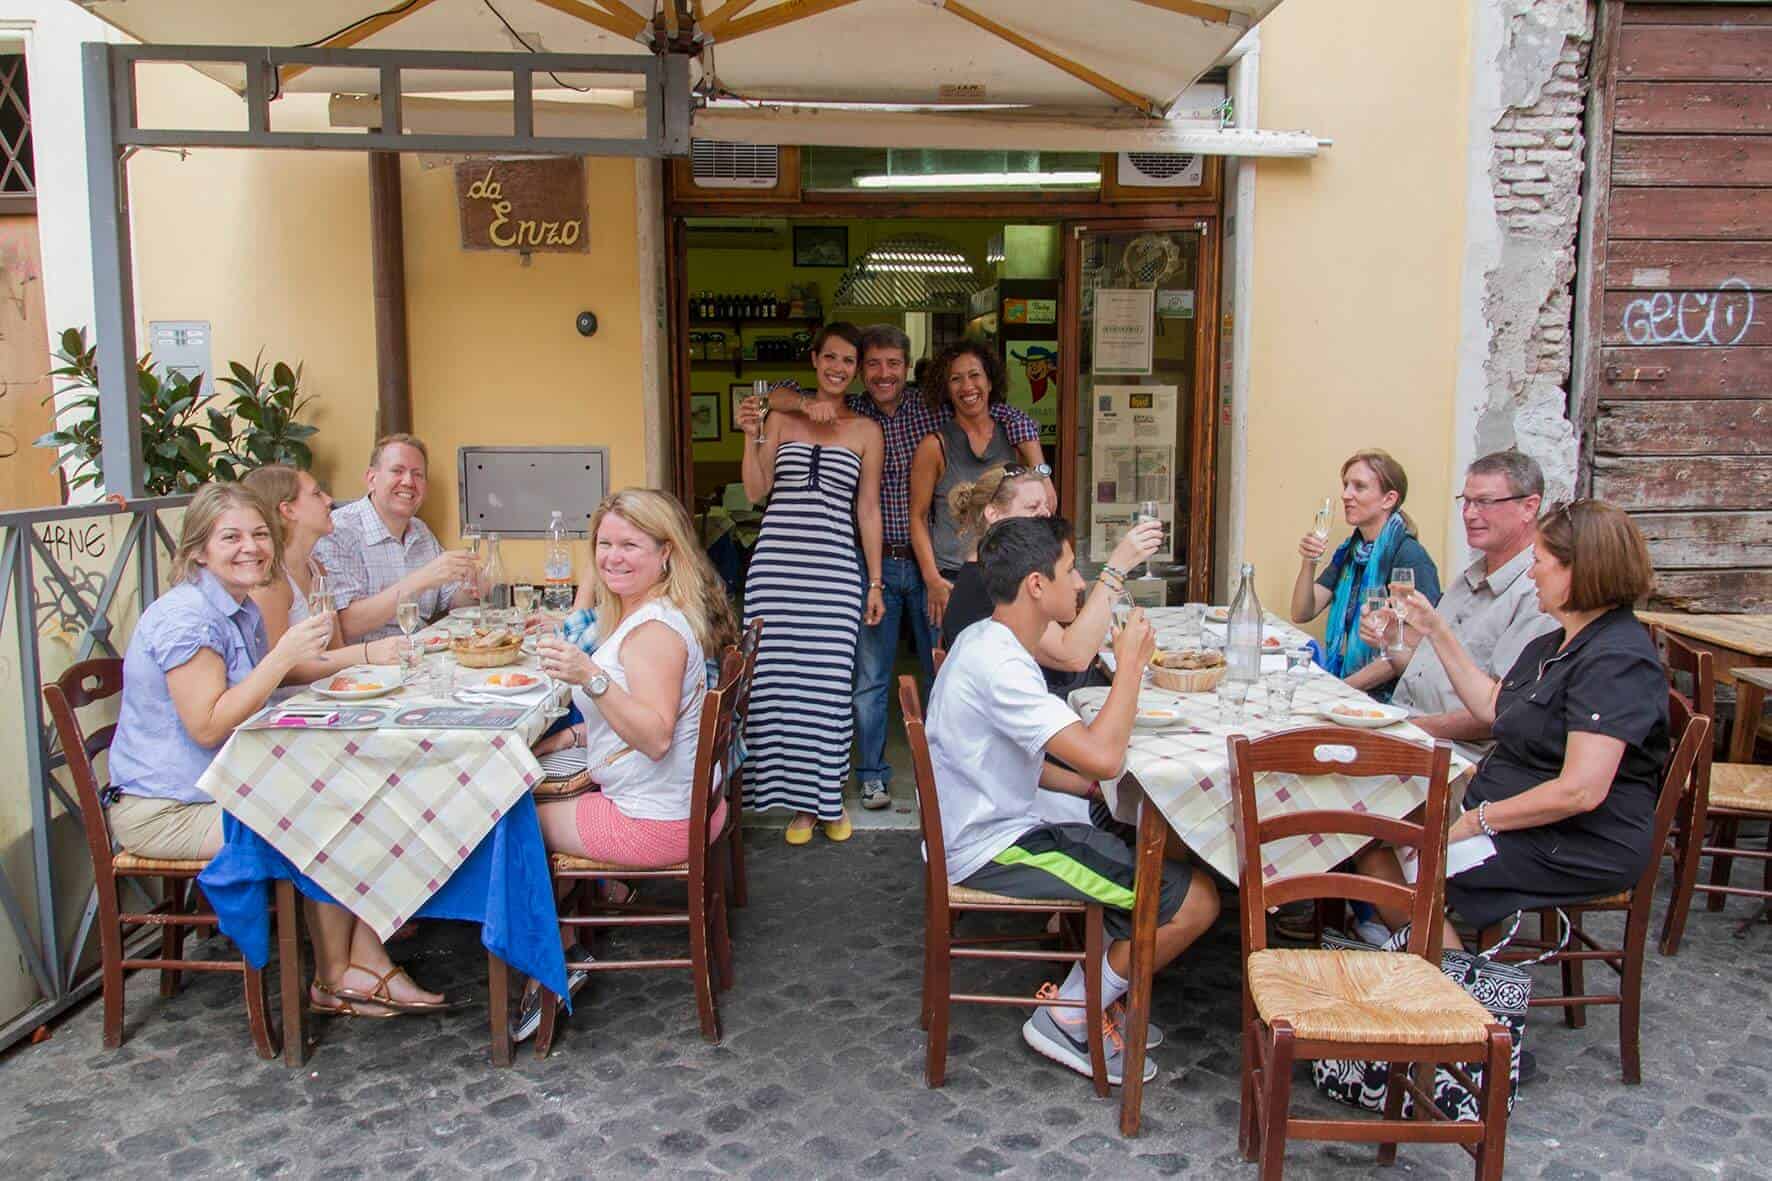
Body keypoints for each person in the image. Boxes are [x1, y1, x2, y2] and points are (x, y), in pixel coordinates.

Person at [107, 483, 449, 1016]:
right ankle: (338, 976)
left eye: (260, 534)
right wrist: (284, 655)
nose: (252, 547)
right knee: (326, 817)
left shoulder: (232, 606)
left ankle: (359, 959)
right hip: (168, 809)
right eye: (232, 537)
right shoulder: (187, 618)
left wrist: (343, 668)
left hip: (220, 785)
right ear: (198, 549)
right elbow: (207, 726)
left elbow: (262, 692)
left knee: (359, 794)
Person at [928, 517, 1219, 1086]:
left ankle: (1101, 996)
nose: (1081, 584)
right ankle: (1067, 1017)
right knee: (1198, 901)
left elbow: (1032, 763)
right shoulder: (1004, 665)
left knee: (1147, 845)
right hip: (993, 846)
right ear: (1037, 584)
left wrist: (1089, 791)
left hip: (1000, 821)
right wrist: (1131, 665)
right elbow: (1105, 756)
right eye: (1069, 571)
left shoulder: (990, 638)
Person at [1360, 500, 1668, 945]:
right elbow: (1491, 706)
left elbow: (1580, 790)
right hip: (1519, 819)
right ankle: (1435, 964)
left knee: (1409, 857)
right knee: (1370, 842)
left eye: (1539, 562)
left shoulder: (1616, 662)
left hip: (1576, 841)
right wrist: (1435, 629)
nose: (1530, 574)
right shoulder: (1557, 642)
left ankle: (1453, 991)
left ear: (1578, 571)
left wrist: (1476, 820)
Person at [764, 324, 1044, 812]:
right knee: (869, 678)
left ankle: (939, 774)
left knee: (945, 673)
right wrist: (800, 403)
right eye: (871, 364)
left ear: (908, 368)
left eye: (893, 364)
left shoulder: (928, 409)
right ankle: (872, 775)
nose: (882, 373)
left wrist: (1024, 431)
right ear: (857, 369)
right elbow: (781, 395)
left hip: (928, 564)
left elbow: (984, 407)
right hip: (869, 560)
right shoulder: (852, 412)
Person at [520, 490, 737, 1039]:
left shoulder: (654, 633)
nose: (613, 557)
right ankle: (578, 912)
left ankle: (553, 964)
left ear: (666, 553)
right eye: (604, 544)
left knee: (509, 817)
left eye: (630, 546)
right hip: (684, 807)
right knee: (542, 784)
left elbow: (657, 737)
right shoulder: (648, 612)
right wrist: (571, 732)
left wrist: (588, 676)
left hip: (656, 824)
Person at [734, 323, 886, 844]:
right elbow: (756, 491)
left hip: (836, 574)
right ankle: (799, 808)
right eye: (831, 358)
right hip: (776, 571)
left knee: (828, 690)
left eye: (849, 362)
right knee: (777, 689)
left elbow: (867, 510)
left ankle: (829, 800)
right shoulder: (781, 415)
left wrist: (875, 583)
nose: (839, 369)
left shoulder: (867, 431)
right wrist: (753, 433)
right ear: (815, 360)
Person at [1358, 450, 1557, 760]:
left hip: (1455, 756)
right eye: (1466, 501)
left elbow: (1503, 712)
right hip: (1406, 726)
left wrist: (1409, 729)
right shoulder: (1468, 577)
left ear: (1528, 507)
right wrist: (1391, 639)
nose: (1469, 513)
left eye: (1484, 502)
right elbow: (1420, 669)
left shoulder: (1537, 594)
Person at [910, 339, 1053, 634]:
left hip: (1009, 576)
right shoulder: (935, 445)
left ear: (989, 381)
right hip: (952, 579)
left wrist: (1032, 447)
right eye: (955, 379)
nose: (967, 386)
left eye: (975, 375)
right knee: (948, 671)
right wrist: (932, 579)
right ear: (946, 389)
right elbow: (918, 516)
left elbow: (1048, 502)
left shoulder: (1013, 435)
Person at [1291, 448, 1442, 695]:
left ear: (1389, 499)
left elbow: (1412, 647)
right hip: (1346, 685)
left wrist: (1338, 690)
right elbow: (1302, 611)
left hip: (1384, 697)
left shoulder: (1410, 557)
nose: (1345, 495)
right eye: (1345, 485)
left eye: (1358, 487)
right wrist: (1309, 561)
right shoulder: (1351, 551)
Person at [241, 465, 403, 684]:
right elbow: (280, 670)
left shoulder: (315, 568)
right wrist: (366, 653)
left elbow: (336, 649)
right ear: (288, 511)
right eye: (317, 494)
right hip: (289, 707)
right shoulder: (271, 580)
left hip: (327, 694)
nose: (329, 500)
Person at [313, 433, 478, 643]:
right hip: (367, 667)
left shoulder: (420, 530)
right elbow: (345, 625)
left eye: (417, 474)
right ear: (371, 479)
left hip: (423, 655)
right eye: (397, 471)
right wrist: (421, 579)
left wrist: (473, 588)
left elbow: (454, 602)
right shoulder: (338, 531)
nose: (409, 482)